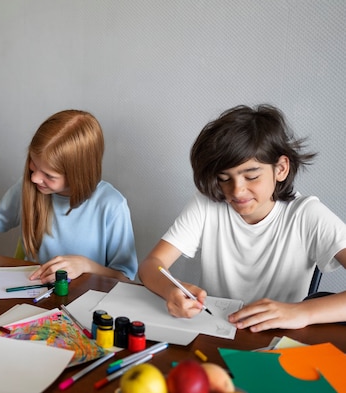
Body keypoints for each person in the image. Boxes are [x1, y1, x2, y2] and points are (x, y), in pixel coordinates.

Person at [138, 104, 346, 332]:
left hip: (279, 340)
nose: (236, 191)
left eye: (252, 176)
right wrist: (171, 291)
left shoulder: (307, 215)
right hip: (215, 331)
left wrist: (302, 312)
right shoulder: (207, 205)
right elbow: (151, 266)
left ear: (281, 169)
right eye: (225, 178)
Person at [0, 109, 138, 283]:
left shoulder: (112, 205)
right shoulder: (29, 188)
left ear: (78, 174)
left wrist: (85, 265)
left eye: (49, 175)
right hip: (34, 294)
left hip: (86, 304)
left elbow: (124, 277)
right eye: (33, 165)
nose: (35, 178)